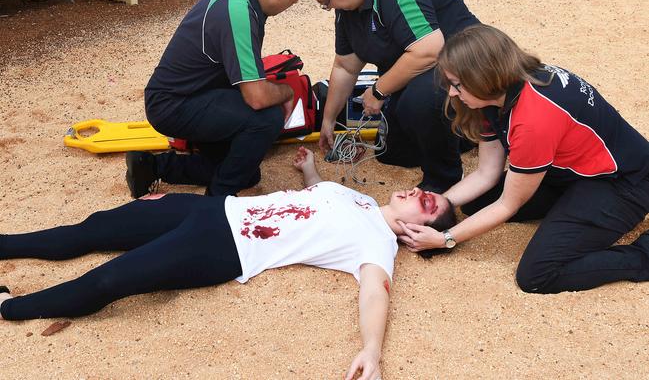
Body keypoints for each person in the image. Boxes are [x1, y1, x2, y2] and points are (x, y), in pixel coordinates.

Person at [0, 147, 456, 380]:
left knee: (113, 279)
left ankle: (11, 308)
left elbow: (374, 294)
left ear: (417, 232)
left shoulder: (379, 244)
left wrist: (372, 350)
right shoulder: (356, 197)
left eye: (427, 202)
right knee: (93, 230)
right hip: (214, 209)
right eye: (421, 188)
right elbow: (316, 197)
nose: (417, 192)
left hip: (225, 248)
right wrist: (311, 170)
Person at [398, 24, 649, 294]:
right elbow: (486, 172)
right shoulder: (499, 93)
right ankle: (572, 212)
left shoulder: (534, 119)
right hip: (569, 170)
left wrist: (445, 238)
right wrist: (436, 207)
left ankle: (642, 256)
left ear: (483, 77)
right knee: (475, 204)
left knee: (537, 275)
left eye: (458, 85)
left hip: (622, 182)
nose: (452, 93)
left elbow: (508, 205)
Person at [125, 0, 316, 199]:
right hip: (175, 104)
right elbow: (257, 97)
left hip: (196, 93)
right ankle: (217, 202)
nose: (296, 2)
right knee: (267, 118)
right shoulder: (237, 11)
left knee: (246, 172)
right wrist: (287, 93)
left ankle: (152, 166)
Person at [310, 0, 480, 193]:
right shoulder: (347, 7)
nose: (328, 8)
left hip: (459, 61)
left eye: (325, 3)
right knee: (393, 153)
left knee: (419, 102)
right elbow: (346, 66)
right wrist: (328, 119)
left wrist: (378, 90)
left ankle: (445, 178)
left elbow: (430, 49)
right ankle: (462, 133)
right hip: (414, 68)